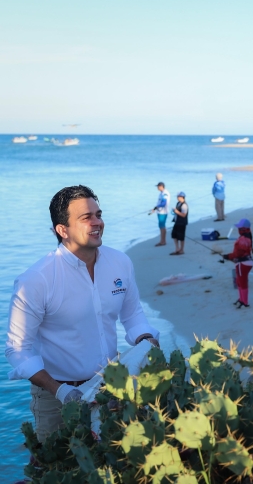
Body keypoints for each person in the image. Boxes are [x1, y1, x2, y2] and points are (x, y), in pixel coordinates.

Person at [5, 185, 160, 442]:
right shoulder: (35, 280)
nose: (97, 222)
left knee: (111, 464)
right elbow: (17, 349)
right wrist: (59, 391)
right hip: (55, 396)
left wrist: (146, 340)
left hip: (112, 387)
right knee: (57, 469)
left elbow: (132, 315)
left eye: (98, 214)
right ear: (62, 230)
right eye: (86, 217)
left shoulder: (120, 262)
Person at [220, 218, 253, 308]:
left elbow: (238, 254)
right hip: (246, 262)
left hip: (243, 264)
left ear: (243, 229)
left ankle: (244, 302)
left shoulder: (243, 239)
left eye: (240, 228)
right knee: (239, 281)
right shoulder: (247, 237)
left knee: (242, 283)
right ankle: (241, 299)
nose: (238, 230)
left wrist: (227, 256)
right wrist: (229, 257)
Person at [148, 182, 170, 246]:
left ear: (161, 186)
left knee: (162, 226)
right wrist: (155, 209)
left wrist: (156, 207)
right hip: (160, 212)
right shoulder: (161, 193)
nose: (157, 188)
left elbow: (163, 203)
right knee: (161, 226)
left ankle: (163, 241)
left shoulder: (165, 193)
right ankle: (162, 240)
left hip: (163, 212)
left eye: (158, 186)